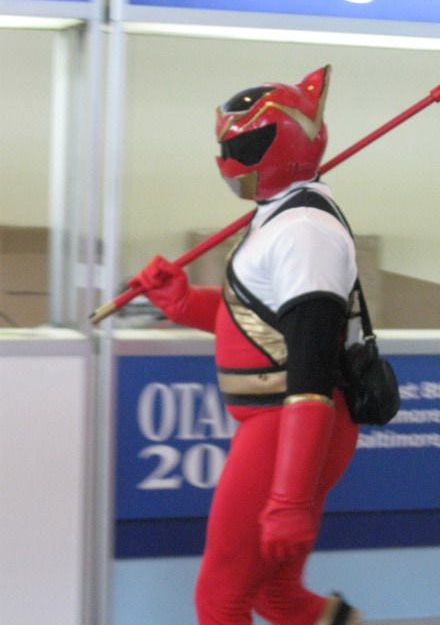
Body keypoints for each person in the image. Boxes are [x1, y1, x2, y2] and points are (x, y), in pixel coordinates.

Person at [129, 66, 362, 625]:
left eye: (243, 146)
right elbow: (256, 320)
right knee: (276, 595)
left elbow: (309, 366)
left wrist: (289, 498)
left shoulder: (303, 232)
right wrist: (181, 302)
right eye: (226, 146)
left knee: (221, 596)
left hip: (287, 423)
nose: (229, 160)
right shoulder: (279, 219)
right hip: (282, 423)